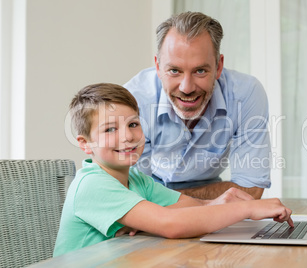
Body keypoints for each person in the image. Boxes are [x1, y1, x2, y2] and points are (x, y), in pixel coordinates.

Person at [53, 83, 293, 257]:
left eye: (133, 124)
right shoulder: (92, 184)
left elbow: (194, 208)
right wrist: (248, 207)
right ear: (85, 144)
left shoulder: (137, 181)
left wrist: (224, 201)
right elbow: (172, 223)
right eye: (110, 130)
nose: (127, 136)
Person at [124, 11, 271, 200]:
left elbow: (251, 189)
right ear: (158, 67)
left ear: (218, 67)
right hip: (158, 185)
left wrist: (164, 199)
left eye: (200, 71)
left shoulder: (246, 94)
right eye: (174, 70)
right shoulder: (134, 100)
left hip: (208, 190)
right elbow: (133, 195)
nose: (186, 88)